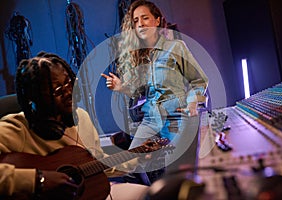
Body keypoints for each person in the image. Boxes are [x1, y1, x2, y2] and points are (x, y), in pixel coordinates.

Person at [0, 52, 150, 200]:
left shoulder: (81, 117)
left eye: (69, 83)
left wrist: (138, 156)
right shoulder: (15, 129)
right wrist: (38, 181)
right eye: (58, 90)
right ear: (34, 98)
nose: (69, 92)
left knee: (154, 194)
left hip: (90, 194)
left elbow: (97, 162)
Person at [101, 0, 209, 174]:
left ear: (157, 21)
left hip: (177, 118)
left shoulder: (176, 47)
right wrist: (121, 87)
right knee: (128, 164)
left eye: (145, 18)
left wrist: (192, 102)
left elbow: (199, 81)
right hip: (151, 119)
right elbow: (140, 94)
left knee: (179, 170)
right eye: (136, 21)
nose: (140, 24)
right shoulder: (139, 56)